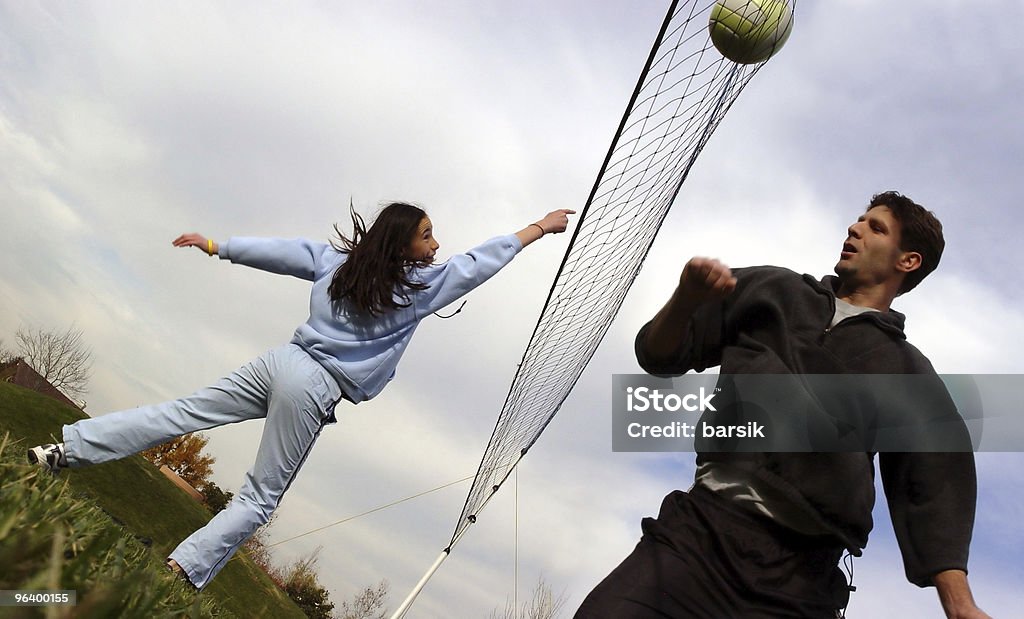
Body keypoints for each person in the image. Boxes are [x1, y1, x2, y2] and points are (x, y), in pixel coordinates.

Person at [27, 202, 575, 590]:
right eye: (427, 235)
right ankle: (180, 569)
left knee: (178, 412)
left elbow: (286, 253)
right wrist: (539, 228)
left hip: (280, 360)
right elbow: (481, 262)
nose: (436, 244)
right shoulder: (420, 287)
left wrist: (219, 246)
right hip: (315, 385)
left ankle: (61, 452)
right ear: (403, 243)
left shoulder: (340, 263)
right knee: (259, 499)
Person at [576, 192, 989, 618]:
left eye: (876, 227)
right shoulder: (774, 291)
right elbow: (659, 356)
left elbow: (936, 483)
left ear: (908, 261)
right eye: (859, 220)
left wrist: (960, 606)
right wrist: (685, 298)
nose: (855, 228)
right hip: (698, 535)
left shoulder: (906, 370)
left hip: (800, 580)